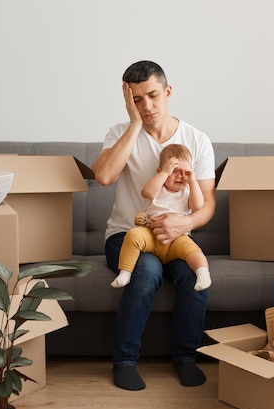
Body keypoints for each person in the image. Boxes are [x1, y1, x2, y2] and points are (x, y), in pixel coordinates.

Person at [92, 60, 216, 391]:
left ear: (168, 92)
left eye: (152, 96)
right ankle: (125, 361)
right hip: (127, 236)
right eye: (137, 100)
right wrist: (134, 125)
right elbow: (103, 176)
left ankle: (186, 358)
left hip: (174, 237)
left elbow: (207, 202)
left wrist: (185, 222)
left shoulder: (197, 140)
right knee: (145, 270)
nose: (147, 106)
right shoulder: (119, 133)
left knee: (194, 275)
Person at [110, 144, 211, 291]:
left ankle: (203, 274)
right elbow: (147, 193)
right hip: (151, 235)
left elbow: (198, 205)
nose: (180, 176)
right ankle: (125, 273)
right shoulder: (158, 187)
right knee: (133, 235)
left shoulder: (188, 190)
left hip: (177, 239)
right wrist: (164, 174)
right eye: (174, 171)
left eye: (185, 172)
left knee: (194, 251)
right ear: (160, 171)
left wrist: (193, 181)